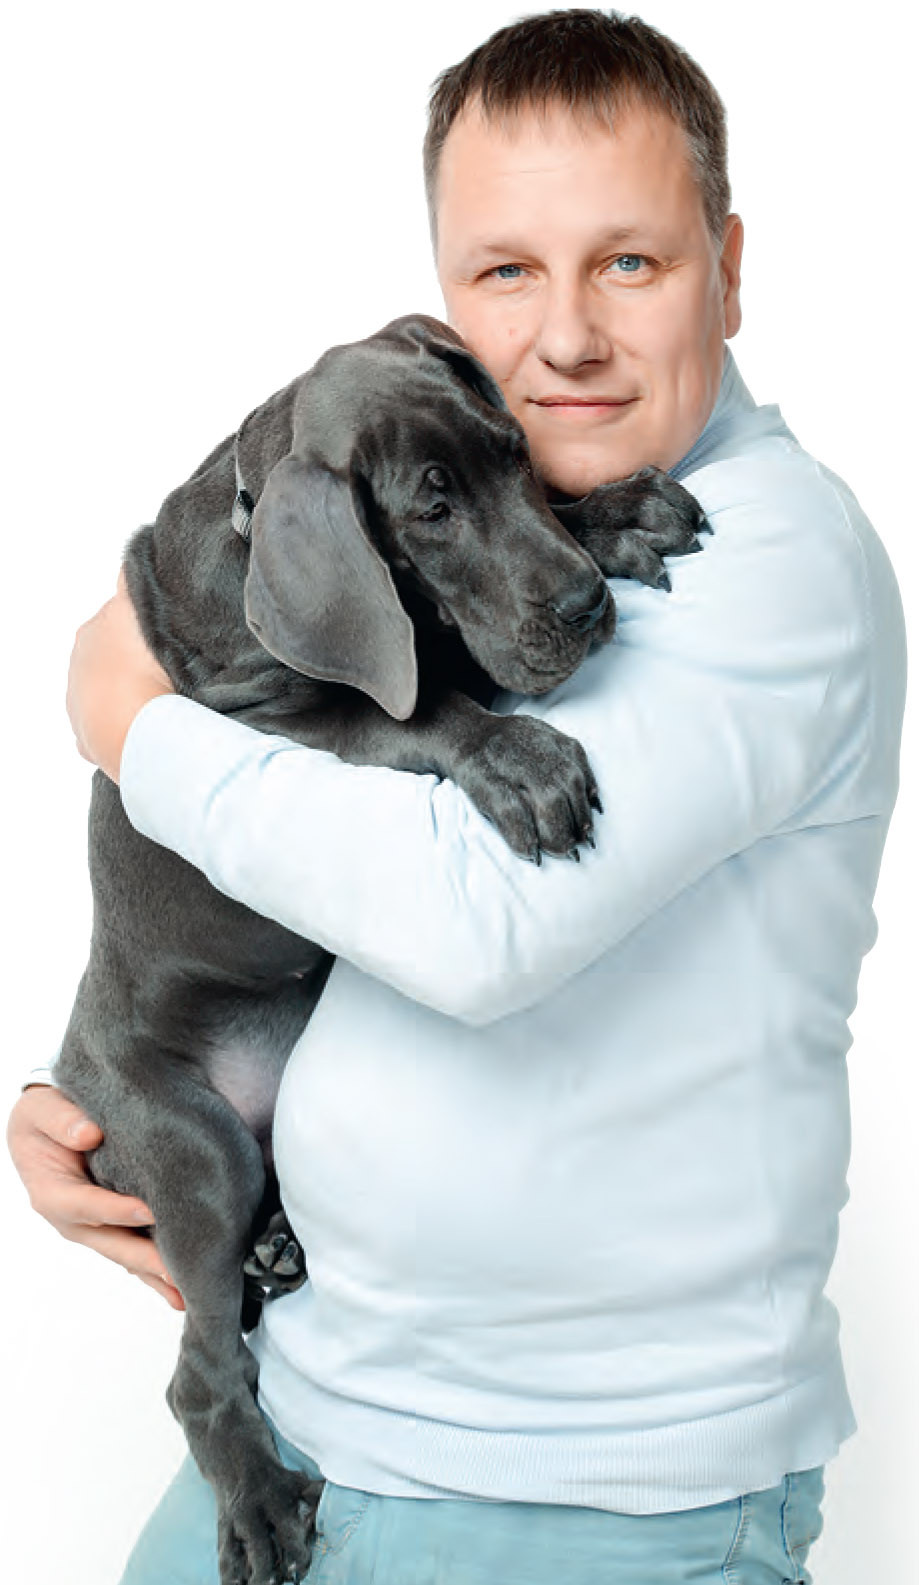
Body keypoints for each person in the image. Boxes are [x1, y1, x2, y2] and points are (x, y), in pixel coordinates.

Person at [6, 10, 906, 1584]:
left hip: (586, 1507)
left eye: (629, 261)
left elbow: (469, 917)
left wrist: (132, 722)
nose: (567, 336)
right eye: (505, 271)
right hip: (306, 1420)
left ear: (728, 266)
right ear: (443, 295)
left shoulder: (775, 557)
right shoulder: (463, 511)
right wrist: (104, 1095)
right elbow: (312, 830)